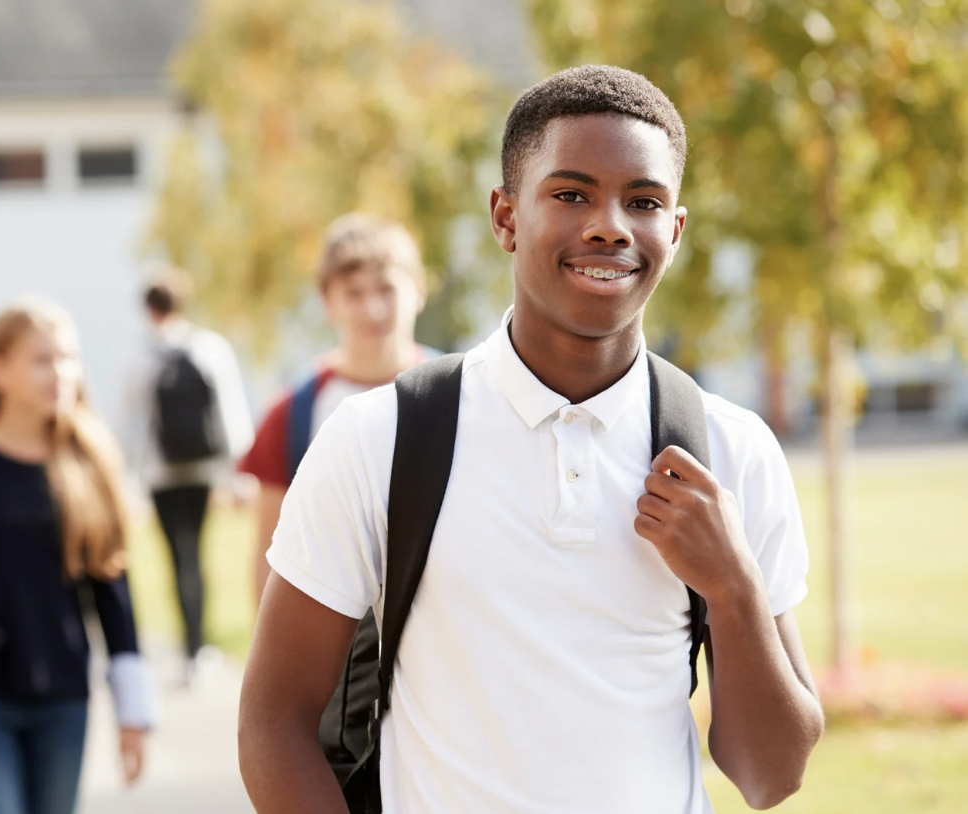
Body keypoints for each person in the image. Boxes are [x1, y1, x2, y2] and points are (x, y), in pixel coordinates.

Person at [238, 65, 824, 813]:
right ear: (506, 217)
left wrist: (735, 588)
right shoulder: (378, 438)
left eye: (642, 201)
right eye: (571, 193)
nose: (610, 223)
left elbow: (770, 775)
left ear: (673, 233)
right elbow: (273, 720)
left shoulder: (731, 450)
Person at [0, 299, 154, 814]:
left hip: (65, 699)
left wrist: (133, 711)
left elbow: (114, 589)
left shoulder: (86, 458)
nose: (62, 373)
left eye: (69, 358)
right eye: (43, 359)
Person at [240, 213, 429, 604]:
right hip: (336, 640)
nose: (372, 309)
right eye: (354, 293)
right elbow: (269, 552)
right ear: (327, 302)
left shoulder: (466, 394)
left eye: (386, 289)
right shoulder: (292, 413)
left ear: (418, 290)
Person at [124, 272, 253, 670]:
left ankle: (188, 649)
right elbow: (232, 414)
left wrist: (129, 476)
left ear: (149, 309)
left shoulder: (141, 358)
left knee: (175, 556)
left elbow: (130, 423)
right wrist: (236, 471)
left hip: (161, 474)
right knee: (197, 553)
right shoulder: (210, 348)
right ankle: (199, 649)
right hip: (203, 469)